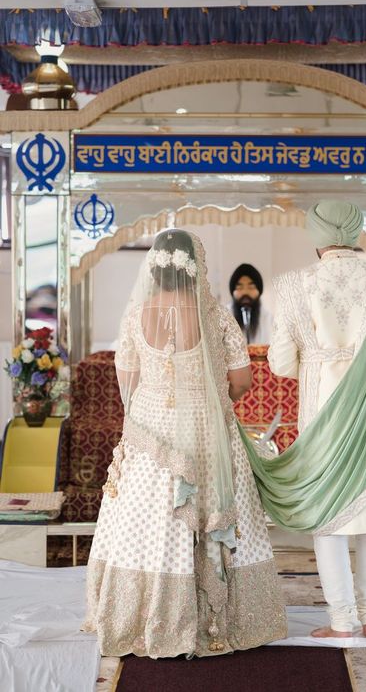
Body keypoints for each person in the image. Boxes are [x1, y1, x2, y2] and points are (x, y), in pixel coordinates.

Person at [82, 229, 287, 658]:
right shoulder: (215, 315)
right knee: (216, 516)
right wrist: (212, 401)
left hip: (151, 430)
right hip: (207, 429)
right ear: (198, 265)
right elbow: (241, 381)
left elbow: (129, 383)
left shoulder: (137, 314)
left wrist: (156, 402)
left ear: (154, 269)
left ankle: (146, 618)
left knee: (150, 521)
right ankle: (217, 621)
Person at [241, 201, 366, 639]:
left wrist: (319, 357)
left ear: (316, 233)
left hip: (322, 413)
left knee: (329, 517)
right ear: (356, 230)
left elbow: (282, 363)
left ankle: (341, 621)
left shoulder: (292, 285)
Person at [228, 264, 273, 344]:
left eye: (251, 287)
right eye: (239, 287)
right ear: (233, 292)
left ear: (259, 291)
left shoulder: (269, 320)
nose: (245, 292)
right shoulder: (223, 318)